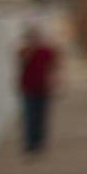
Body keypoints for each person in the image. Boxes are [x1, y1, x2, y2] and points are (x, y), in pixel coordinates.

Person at [18, 26, 59, 155]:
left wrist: (54, 80)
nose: (33, 40)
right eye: (31, 38)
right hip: (28, 88)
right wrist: (30, 51)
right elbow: (22, 63)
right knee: (30, 116)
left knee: (41, 115)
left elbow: (54, 64)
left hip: (43, 87)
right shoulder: (24, 51)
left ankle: (39, 141)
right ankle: (30, 142)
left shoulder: (45, 50)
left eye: (35, 37)